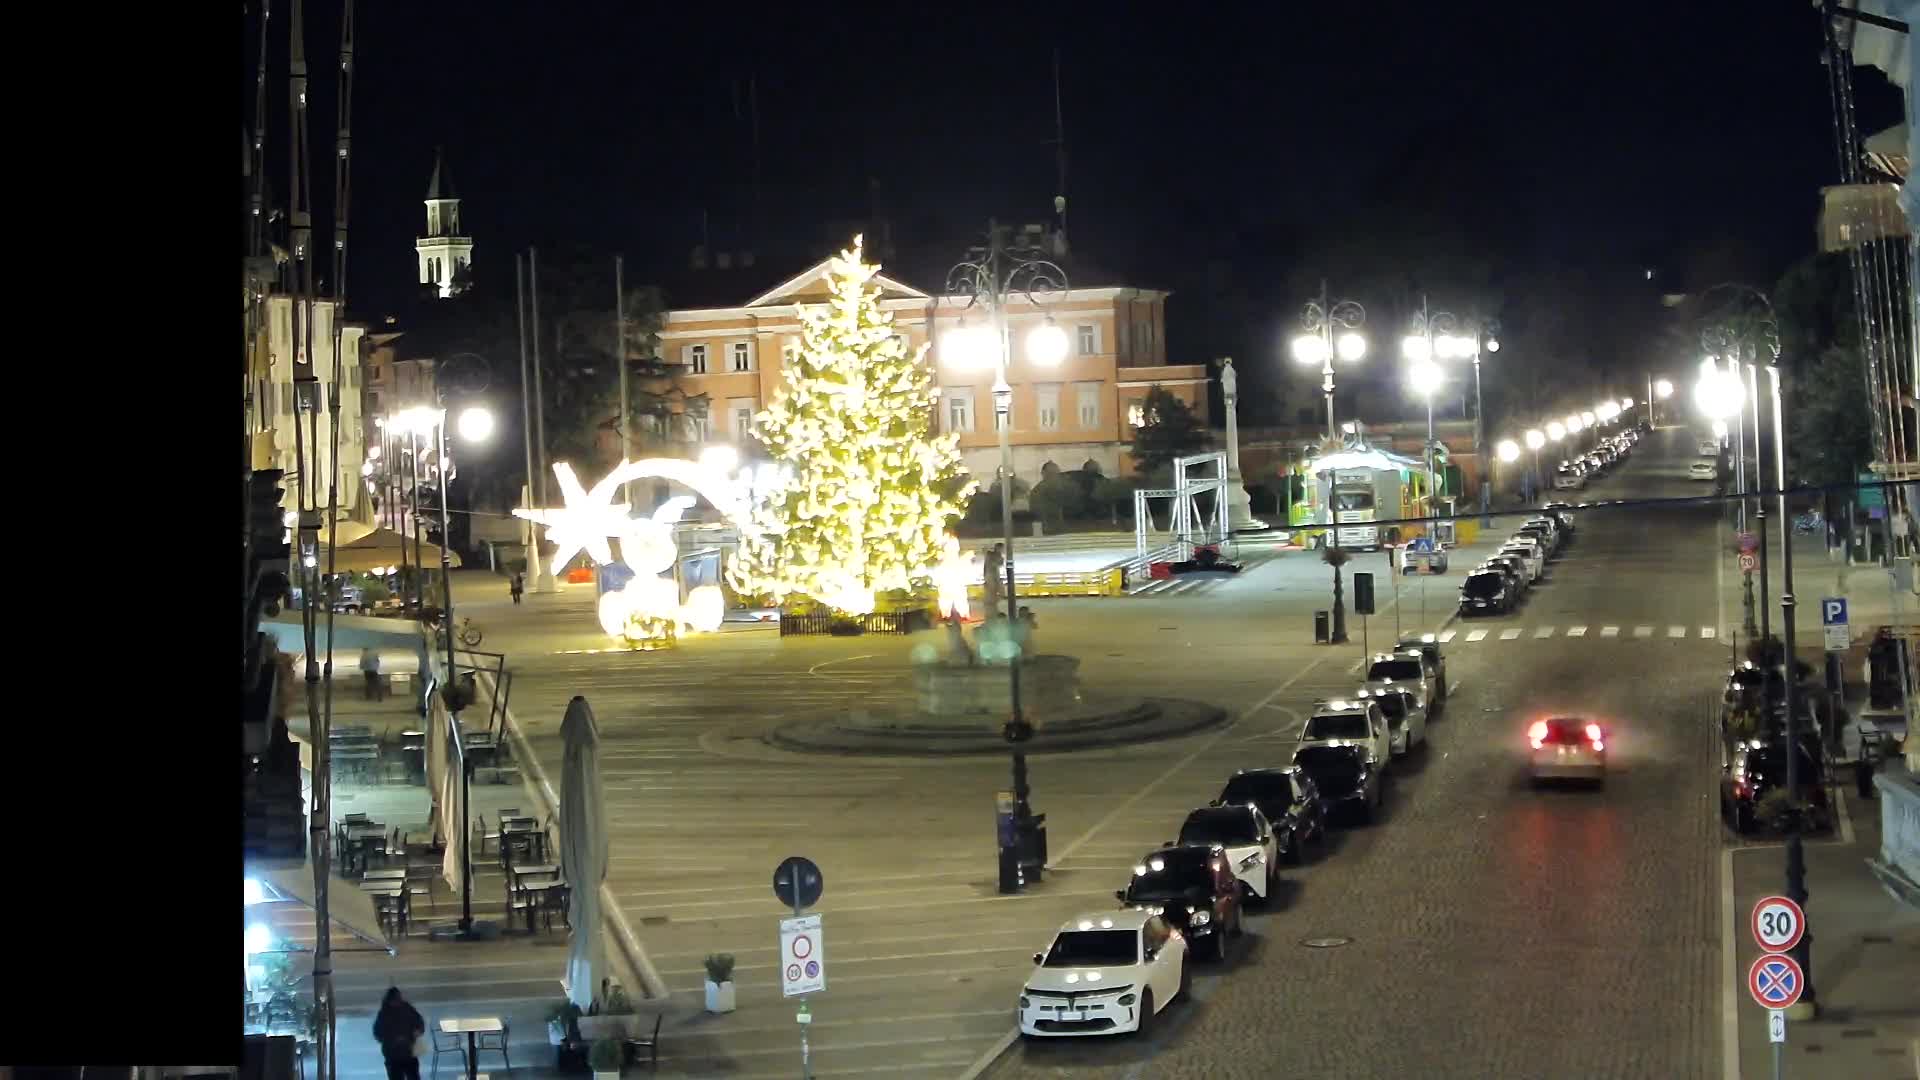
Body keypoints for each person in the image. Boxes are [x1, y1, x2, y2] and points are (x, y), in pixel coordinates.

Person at [372, 986, 426, 1080]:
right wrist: (416, 1032)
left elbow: (378, 1033)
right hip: (406, 1051)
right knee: (412, 1075)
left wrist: (389, 1039)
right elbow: (419, 1024)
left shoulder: (384, 1013)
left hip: (393, 1054)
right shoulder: (407, 1008)